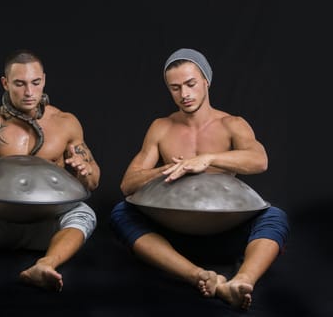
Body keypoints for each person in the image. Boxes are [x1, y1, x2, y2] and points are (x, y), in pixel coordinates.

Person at [110, 48, 289, 310]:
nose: (184, 94)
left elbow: (259, 160)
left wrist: (207, 159)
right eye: (175, 88)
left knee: (275, 216)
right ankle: (198, 275)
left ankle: (242, 281)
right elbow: (128, 184)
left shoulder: (232, 124)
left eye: (191, 84)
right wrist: (167, 169)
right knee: (121, 212)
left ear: (206, 81)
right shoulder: (161, 127)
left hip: (225, 233)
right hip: (172, 235)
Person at [0, 49, 100, 292]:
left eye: (35, 83)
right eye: (20, 84)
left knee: (84, 213)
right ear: (5, 83)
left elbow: (93, 181)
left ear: (43, 79)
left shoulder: (65, 122)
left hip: (46, 225)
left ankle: (45, 265)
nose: (29, 92)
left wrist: (84, 169)